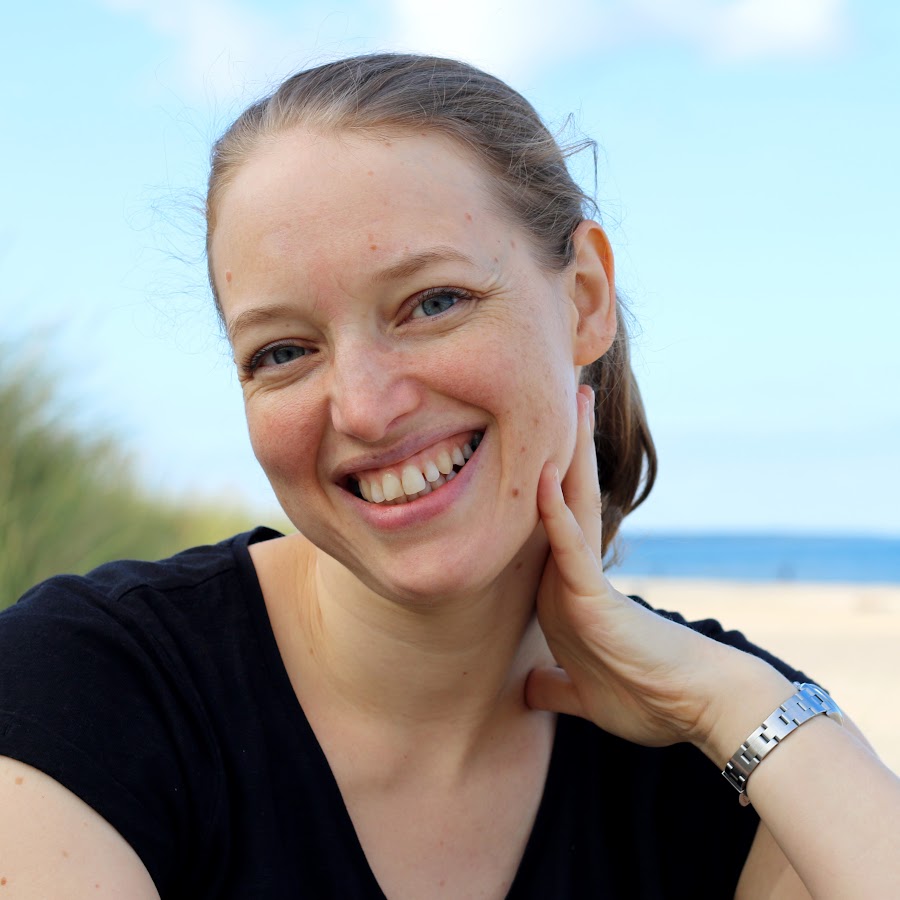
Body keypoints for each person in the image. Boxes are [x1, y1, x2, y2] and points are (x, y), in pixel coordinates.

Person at [0, 53, 897, 899]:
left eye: (434, 303)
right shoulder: (82, 694)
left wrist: (738, 703)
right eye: (283, 351)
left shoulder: (734, 745)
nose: (364, 408)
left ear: (585, 297)